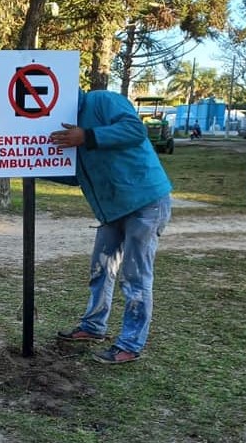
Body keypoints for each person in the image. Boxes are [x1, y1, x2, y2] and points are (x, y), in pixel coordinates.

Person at [46, 88, 172, 364]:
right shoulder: (61, 123)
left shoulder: (102, 101)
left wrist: (88, 136)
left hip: (145, 201)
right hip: (113, 209)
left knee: (135, 276)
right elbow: (78, 175)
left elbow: (135, 130)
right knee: (101, 268)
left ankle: (130, 343)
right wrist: (32, 168)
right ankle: (93, 327)